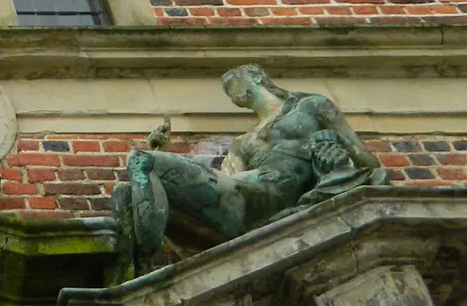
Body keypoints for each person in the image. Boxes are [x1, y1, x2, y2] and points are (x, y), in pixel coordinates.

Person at [112, 64, 385, 278]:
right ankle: (142, 267)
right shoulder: (243, 143)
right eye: (228, 88)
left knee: (144, 161)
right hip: (247, 195)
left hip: (275, 195)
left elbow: (365, 160)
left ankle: (145, 267)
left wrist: (336, 159)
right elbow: (225, 184)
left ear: (257, 76)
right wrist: (165, 154)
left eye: (234, 82)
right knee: (130, 185)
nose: (230, 89)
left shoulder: (310, 106)